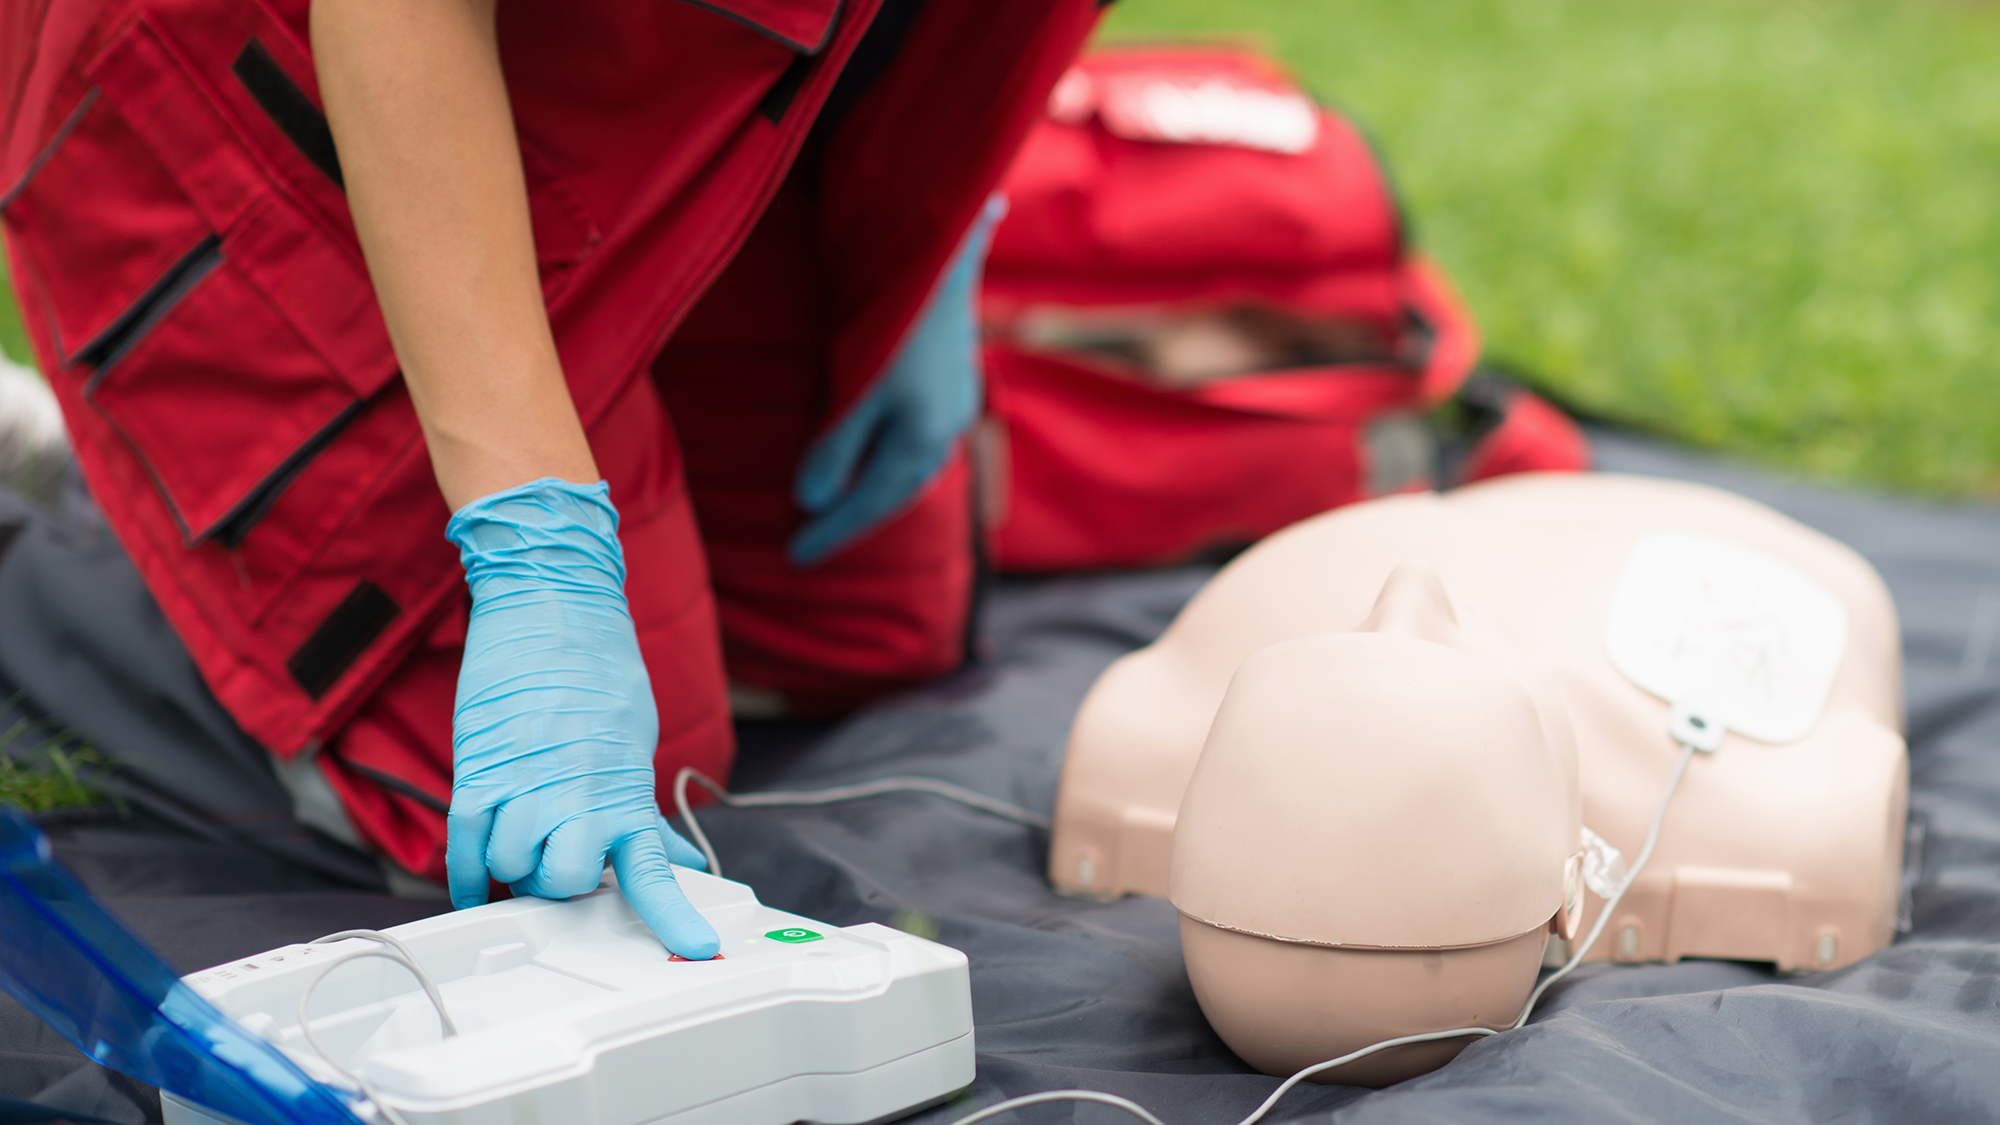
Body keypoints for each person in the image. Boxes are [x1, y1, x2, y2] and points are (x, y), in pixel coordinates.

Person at [0, 0, 1099, 957]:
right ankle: (121, 478)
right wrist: (535, 548)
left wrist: (950, 231)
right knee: (542, 830)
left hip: (651, 81)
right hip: (302, 67)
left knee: (864, 633)